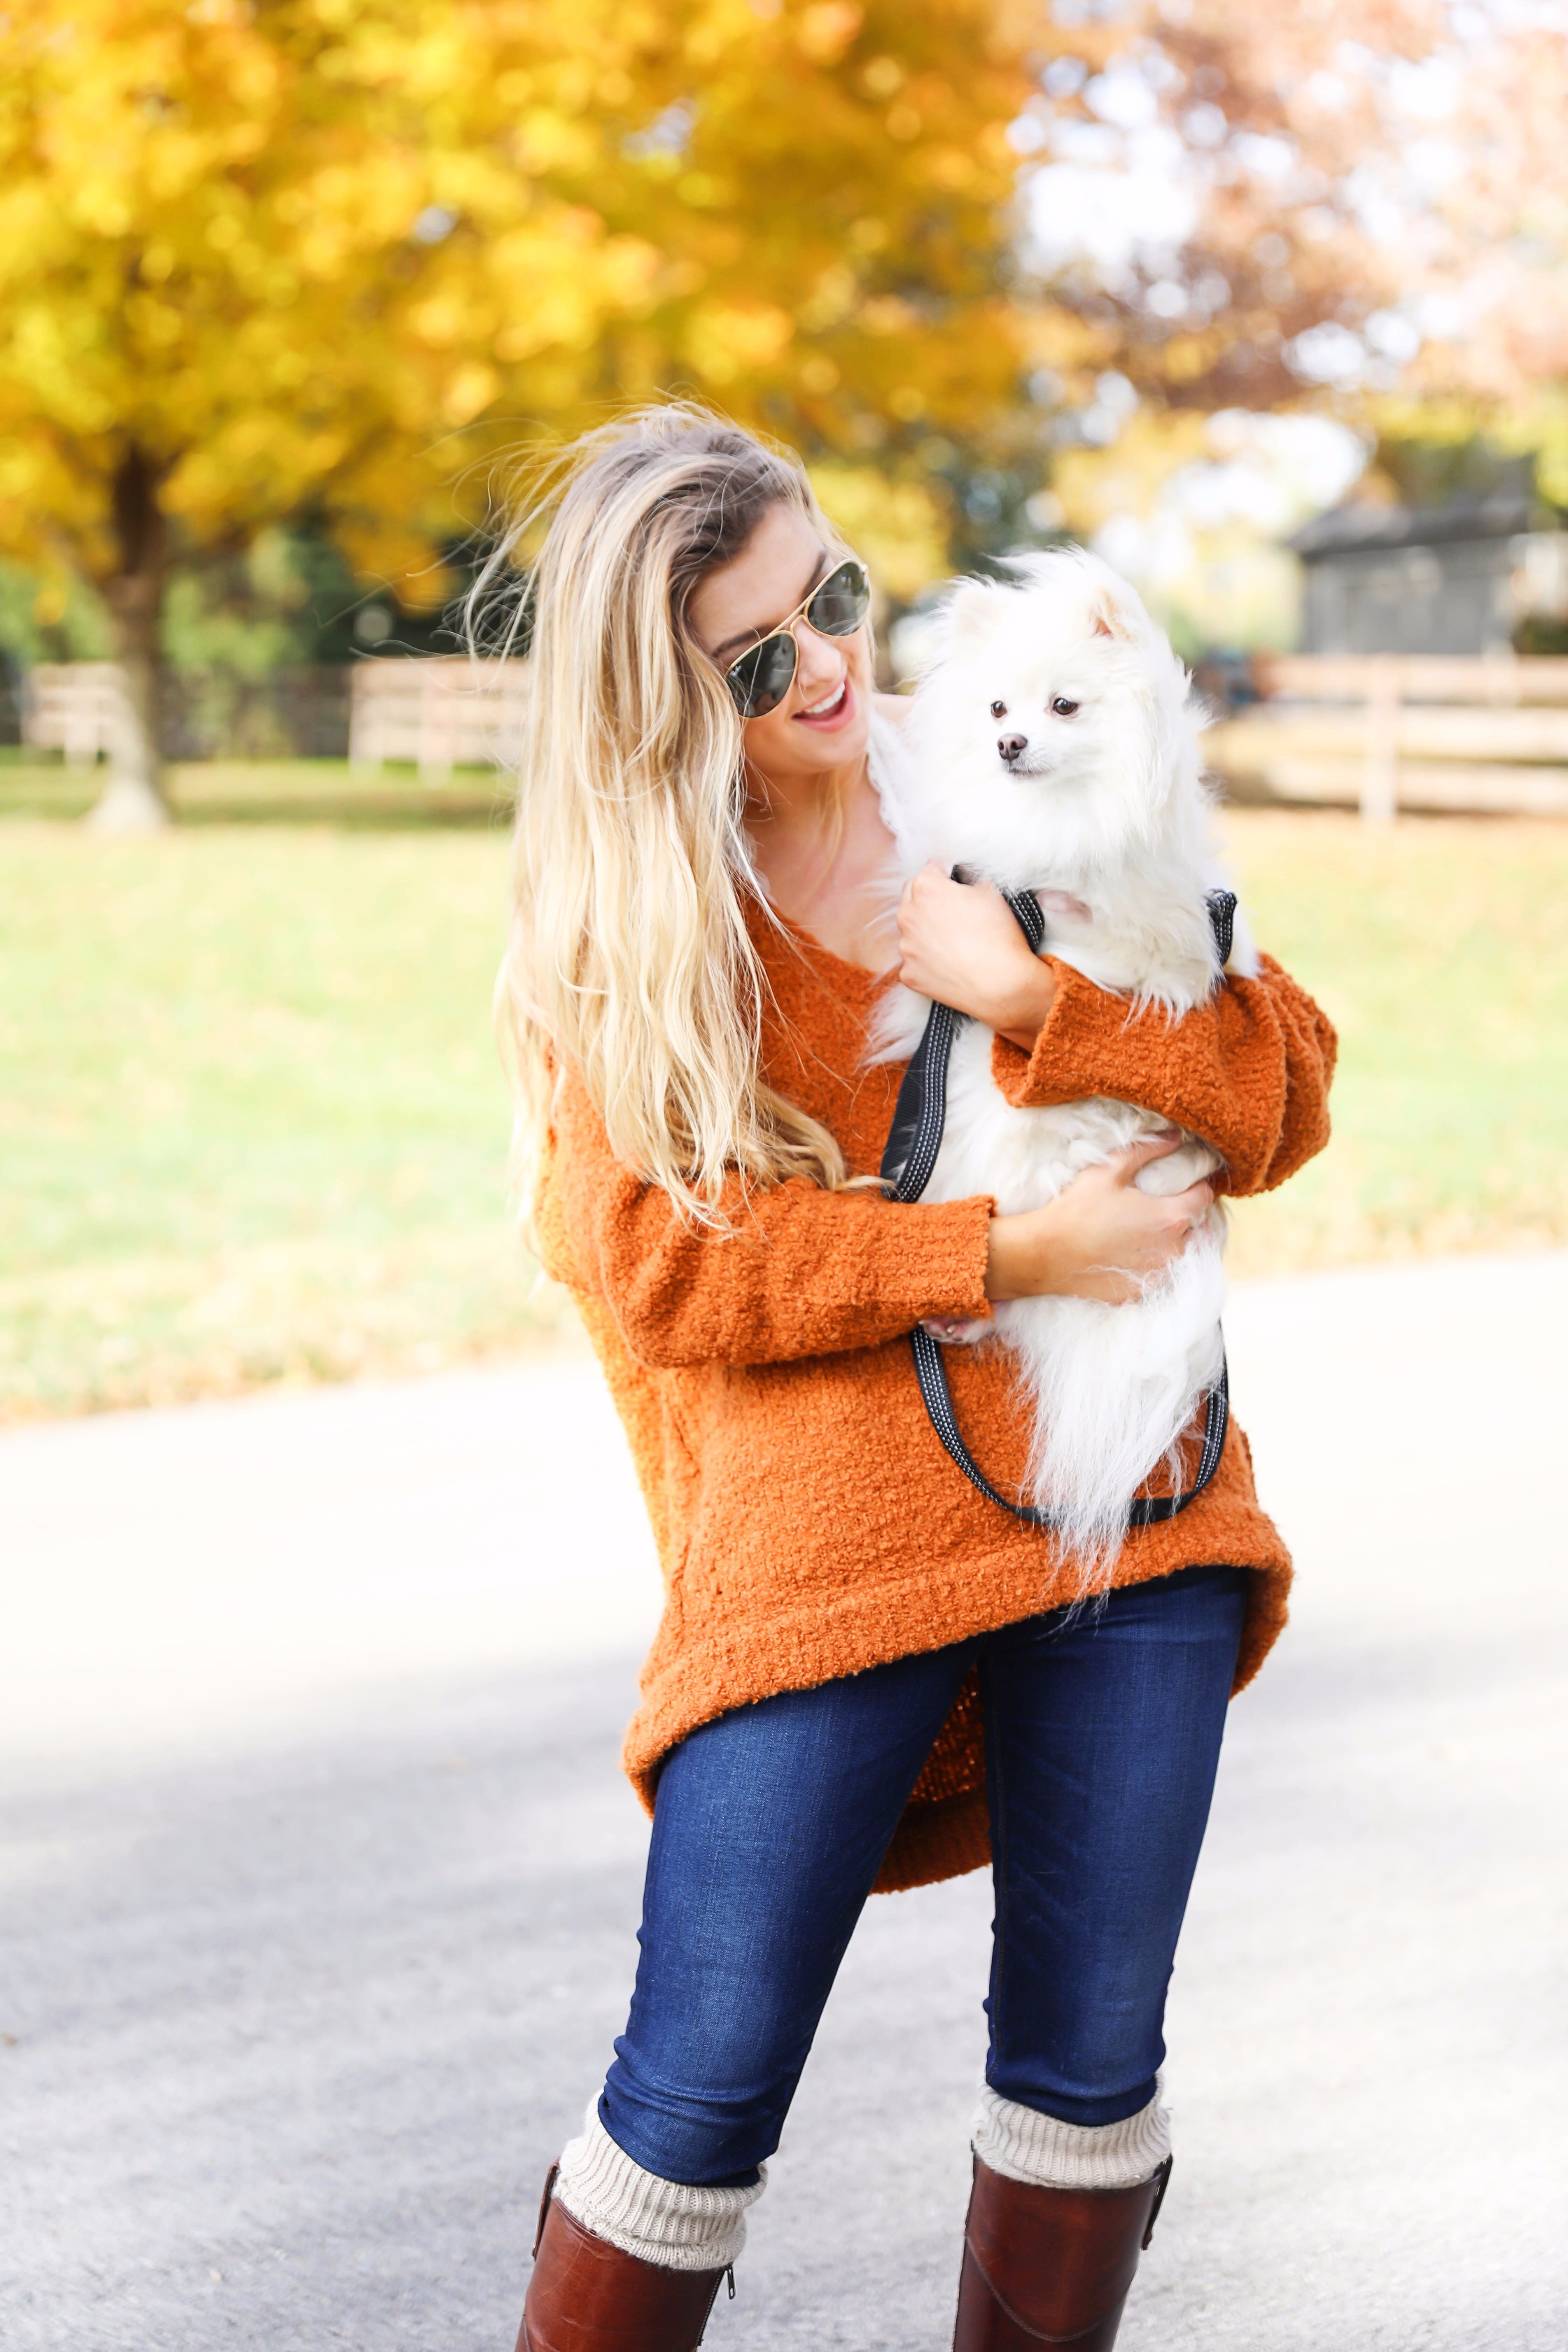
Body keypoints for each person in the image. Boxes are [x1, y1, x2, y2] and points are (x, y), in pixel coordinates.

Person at [489, 405, 1336, 2352]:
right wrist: (999, 1254)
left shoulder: (1002, 762)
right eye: (761, 654)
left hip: (1136, 1510)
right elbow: (656, 1264)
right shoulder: (641, 920)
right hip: (826, 1552)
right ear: (658, 693)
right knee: (694, 2098)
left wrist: (1039, 1001)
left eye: (838, 599)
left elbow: (1282, 1089)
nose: (833, 668)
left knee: (1088, 2078)